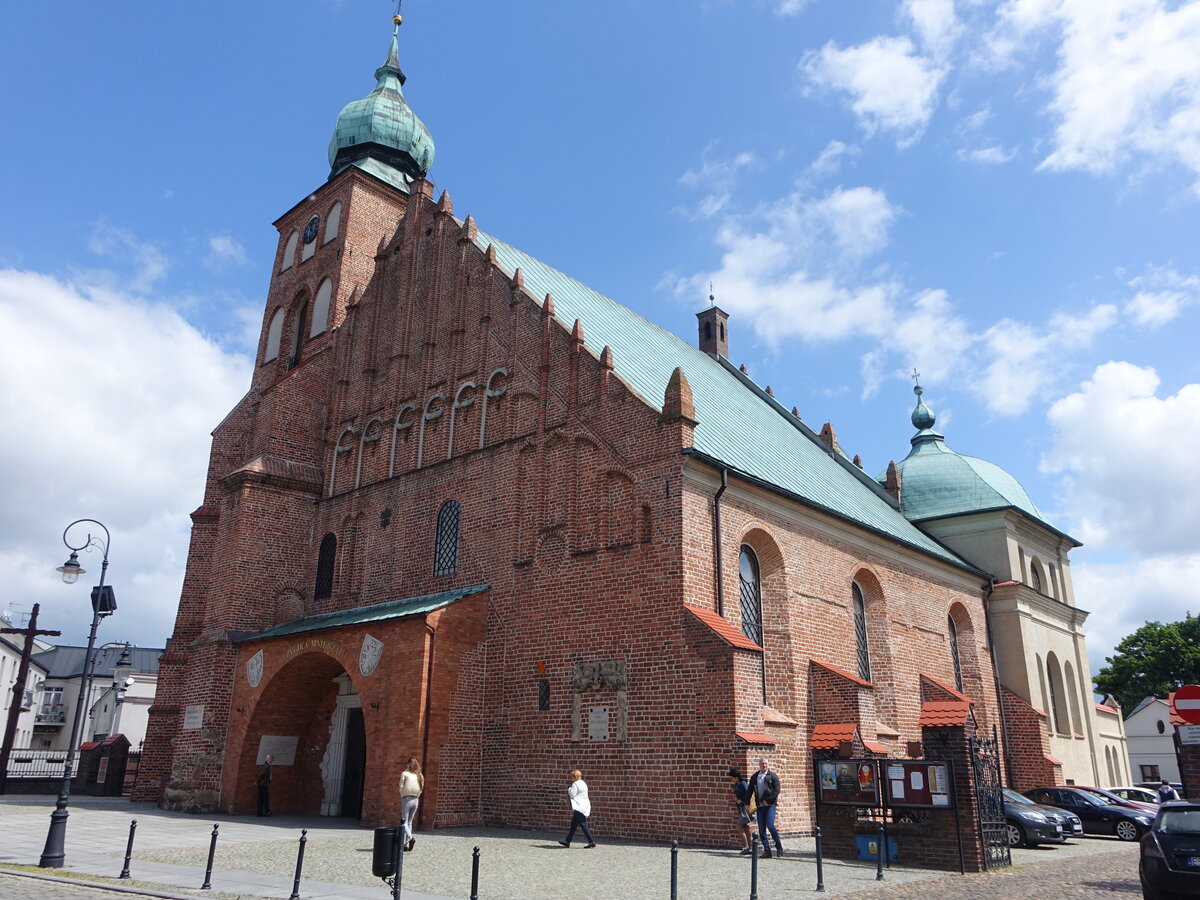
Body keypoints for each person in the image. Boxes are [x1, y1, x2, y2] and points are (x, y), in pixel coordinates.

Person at [747, 757, 783, 858]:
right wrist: (747, 802)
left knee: (770, 826)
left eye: (766, 763)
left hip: (770, 805)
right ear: (759, 764)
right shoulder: (755, 776)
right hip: (760, 806)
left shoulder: (772, 776)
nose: (764, 765)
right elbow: (750, 790)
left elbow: (776, 790)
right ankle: (767, 851)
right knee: (761, 829)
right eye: (762, 763)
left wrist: (769, 800)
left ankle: (778, 846)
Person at [558, 769, 597, 848]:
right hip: (584, 805)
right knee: (574, 824)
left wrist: (569, 789)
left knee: (583, 824)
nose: (571, 778)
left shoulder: (575, 784)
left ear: (574, 777)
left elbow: (572, 794)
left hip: (578, 806)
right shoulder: (583, 783)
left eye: (572, 777)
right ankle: (567, 841)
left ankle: (591, 841)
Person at [399, 758, 424, 851]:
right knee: (409, 822)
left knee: (404, 822)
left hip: (407, 798)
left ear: (408, 764)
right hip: (416, 799)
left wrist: (402, 795)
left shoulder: (405, 774)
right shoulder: (419, 775)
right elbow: (421, 788)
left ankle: (410, 838)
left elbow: (401, 786)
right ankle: (406, 844)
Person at [728, 767, 753, 854]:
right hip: (742, 809)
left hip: (744, 809)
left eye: (732, 778)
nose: (731, 780)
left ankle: (746, 846)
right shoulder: (739, 784)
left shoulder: (742, 784)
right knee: (746, 827)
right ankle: (750, 848)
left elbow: (748, 795)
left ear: (736, 777)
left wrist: (741, 800)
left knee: (739, 827)